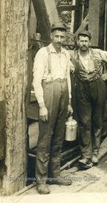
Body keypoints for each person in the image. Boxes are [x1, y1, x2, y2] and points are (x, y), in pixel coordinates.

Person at [32, 22, 74, 194]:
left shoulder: (65, 54)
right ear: (51, 36)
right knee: (45, 138)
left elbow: (67, 78)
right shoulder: (43, 53)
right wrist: (42, 105)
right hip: (49, 94)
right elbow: (36, 80)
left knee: (58, 135)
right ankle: (41, 180)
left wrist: (69, 100)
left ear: (65, 38)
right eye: (56, 36)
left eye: (62, 37)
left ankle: (55, 174)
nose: (59, 39)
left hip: (63, 93)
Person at [70, 30, 107, 169]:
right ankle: (86, 154)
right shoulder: (72, 55)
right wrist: (70, 66)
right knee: (84, 122)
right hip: (81, 88)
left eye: (86, 41)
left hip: (98, 86)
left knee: (97, 120)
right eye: (81, 41)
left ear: (89, 42)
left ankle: (96, 152)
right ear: (77, 42)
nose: (83, 43)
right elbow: (61, 57)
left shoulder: (98, 53)